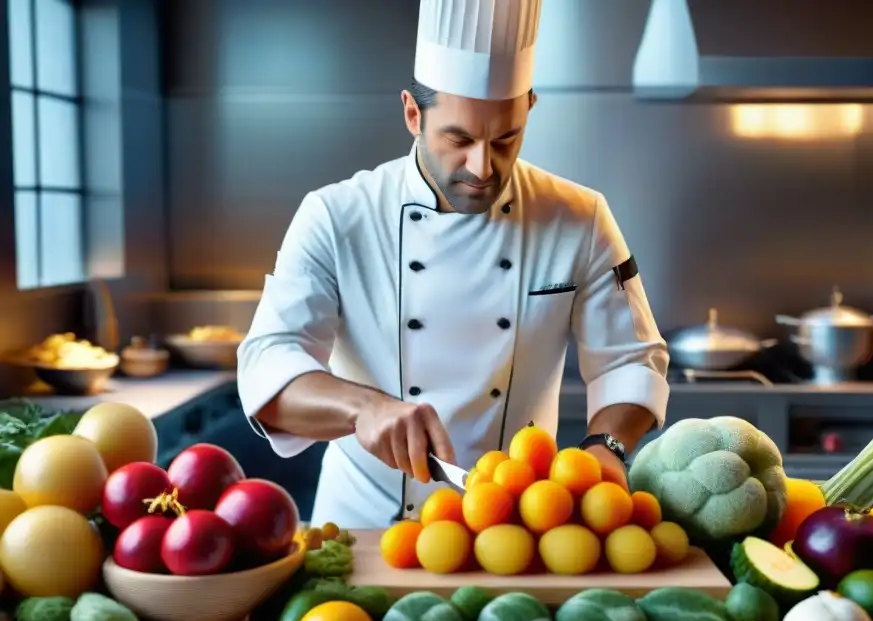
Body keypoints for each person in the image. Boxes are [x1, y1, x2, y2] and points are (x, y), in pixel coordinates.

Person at [237, 0, 670, 528]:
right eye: (458, 139)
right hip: (364, 529)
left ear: (529, 107)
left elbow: (632, 359)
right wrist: (364, 407)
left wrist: (608, 446)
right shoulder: (336, 215)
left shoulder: (580, 217)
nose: (483, 167)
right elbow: (268, 367)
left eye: (506, 138)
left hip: (519, 532)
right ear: (412, 114)